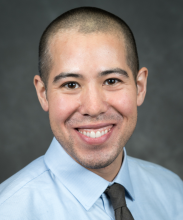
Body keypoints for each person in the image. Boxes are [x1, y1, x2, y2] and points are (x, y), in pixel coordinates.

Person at [0, 7, 182, 220]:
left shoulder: (174, 193)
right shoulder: (9, 211)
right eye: (70, 84)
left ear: (140, 87)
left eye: (112, 81)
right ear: (43, 94)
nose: (94, 108)